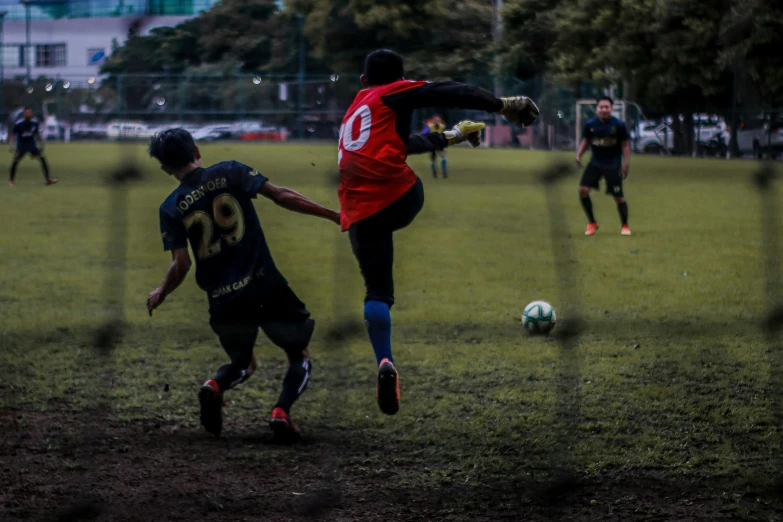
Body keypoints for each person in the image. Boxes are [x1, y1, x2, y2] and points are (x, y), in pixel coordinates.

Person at [337, 49, 539, 415]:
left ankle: (384, 360)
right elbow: (450, 90)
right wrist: (501, 104)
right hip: (400, 198)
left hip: (357, 207)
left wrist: (453, 136)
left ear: (363, 81)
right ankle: (386, 366)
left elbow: (399, 145)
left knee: (377, 291)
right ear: (401, 78)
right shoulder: (394, 92)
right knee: (407, 194)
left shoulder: (356, 107)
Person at [146, 128, 340, 438]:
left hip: (223, 299)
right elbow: (281, 196)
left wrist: (161, 292)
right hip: (265, 284)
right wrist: (333, 215)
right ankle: (281, 411)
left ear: (165, 167)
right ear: (196, 150)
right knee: (299, 354)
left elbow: (181, 264)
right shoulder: (231, 171)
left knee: (242, 363)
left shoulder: (170, 207)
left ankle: (215, 385)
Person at [575, 96, 631, 236]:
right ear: (597, 109)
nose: (604, 109)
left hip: (613, 164)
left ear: (611, 109)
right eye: (601, 107)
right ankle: (592, 223)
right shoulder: (590, 124)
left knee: (618, 197)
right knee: (583, 190)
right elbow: (586, 140)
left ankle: (625, 226)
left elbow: (625, 145)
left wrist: (626, 163)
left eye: (607, 107)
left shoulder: (618, 125)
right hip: (595, 163)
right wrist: (579, 155)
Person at [9, 107, 56, 186]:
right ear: (24, 114)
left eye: (29, 112)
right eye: (27, 112)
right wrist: (12, 145)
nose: (28, 114)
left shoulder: (35, 122)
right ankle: (11, 181)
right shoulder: (19, 123)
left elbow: (37, 134)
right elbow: (13, 134)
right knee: (15, 161)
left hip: (31, 145)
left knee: (42, 159)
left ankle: (47, 179)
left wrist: (42, 144)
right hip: (22, 145)